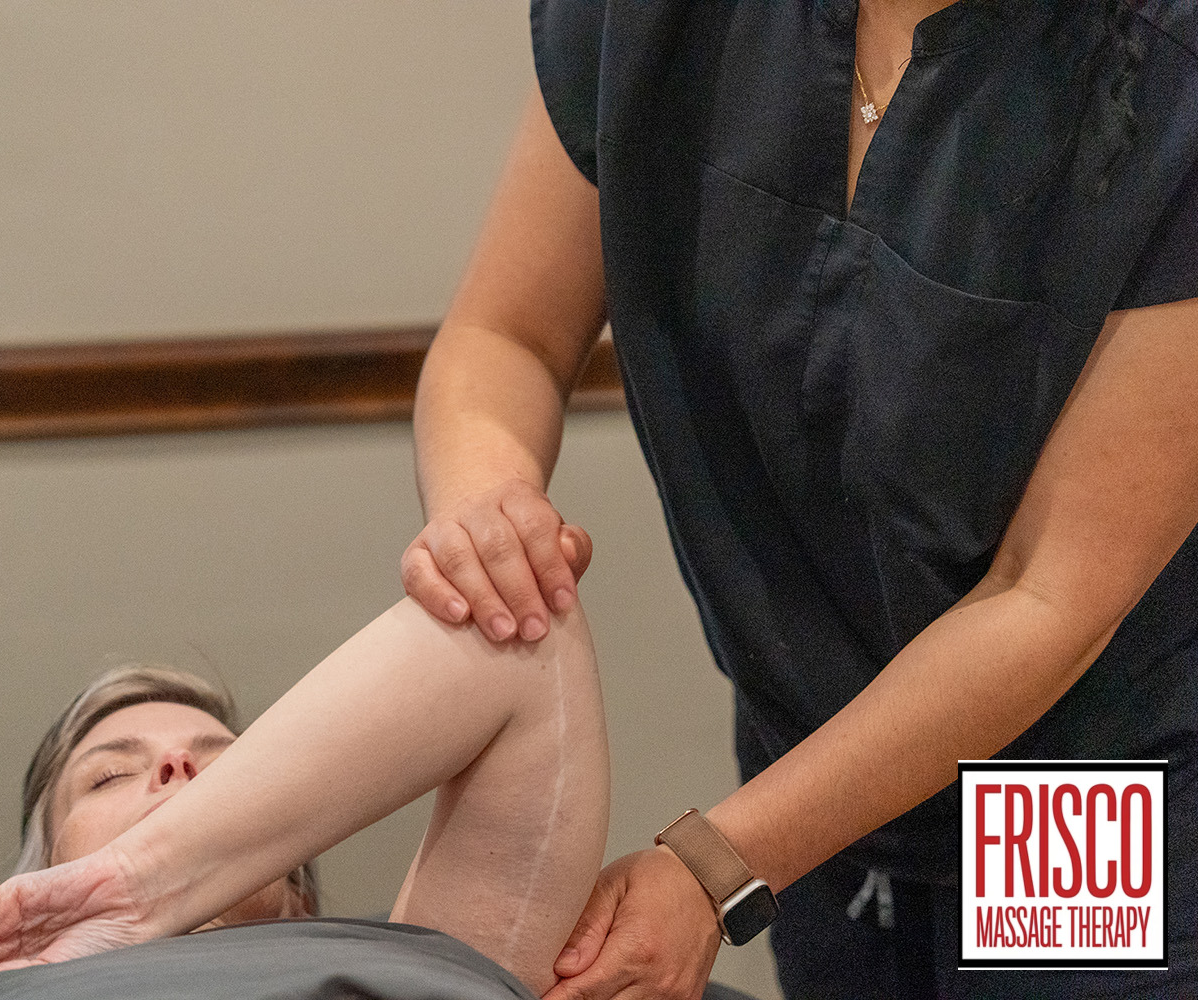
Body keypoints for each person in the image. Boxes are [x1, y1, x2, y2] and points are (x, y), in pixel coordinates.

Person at [402, 1, 1197, 997]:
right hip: (810, 759)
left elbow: (1051, 595)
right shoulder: (653, 25)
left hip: (1079, 789)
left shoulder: (1167, 72)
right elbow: (505, 335)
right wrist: (487, 503)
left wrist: (719, 864)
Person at [0, 590, 615, 1000]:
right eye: (110, 776)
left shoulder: (419, 956)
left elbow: (527, 639)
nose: (177, 763)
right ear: (37, 884)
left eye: (227, 772)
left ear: (296, 893)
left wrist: (142, 881)